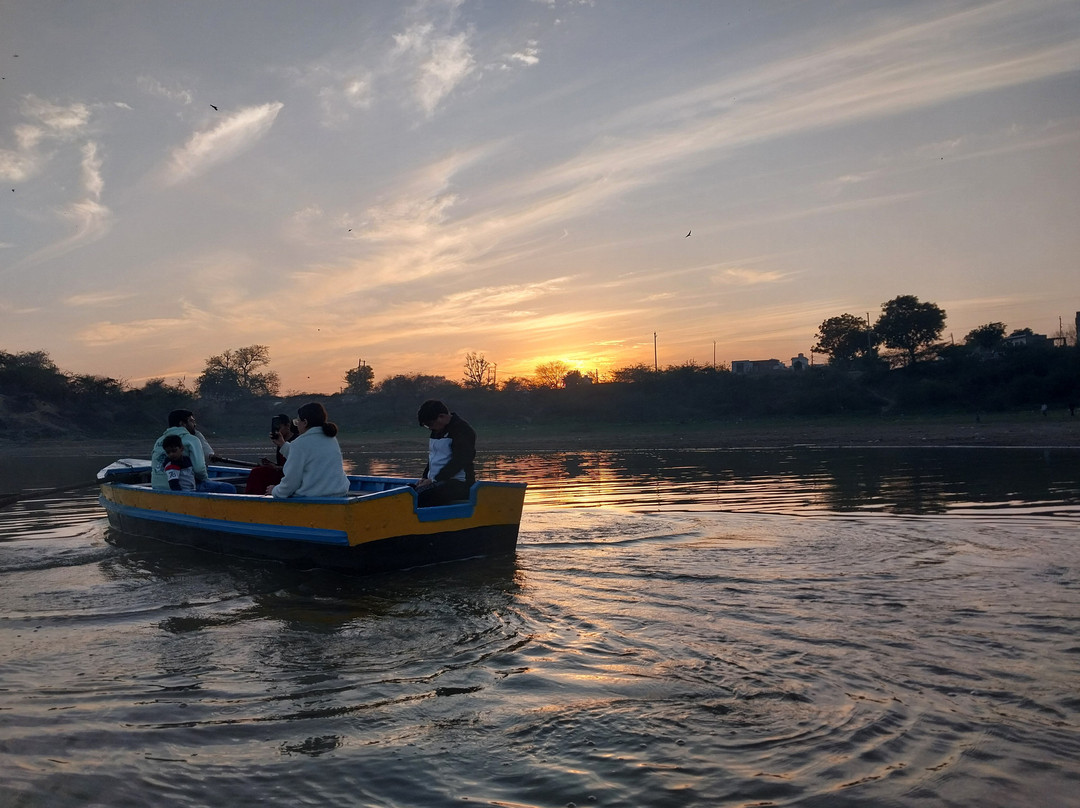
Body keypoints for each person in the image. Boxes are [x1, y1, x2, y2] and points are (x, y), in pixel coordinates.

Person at [267, 402, 350, 498]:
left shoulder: (300, 444)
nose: (297, 425)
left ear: (305, 422)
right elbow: (307, 455)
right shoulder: (331, 439)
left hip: (314, 498)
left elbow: (290, 483)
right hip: (340, 494)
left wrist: (275, 490)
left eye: (297, 422)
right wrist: (283, 444)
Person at [150, 409, 236, 493]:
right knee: (229, 489)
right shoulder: (191, 440)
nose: (194, 424)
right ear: (182, 424)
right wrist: (205, 480)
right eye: (191, 421)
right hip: (181, 489)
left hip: (157, 487)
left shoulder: (159, 441)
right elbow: (199, 470)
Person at [415, 399, 475, 507]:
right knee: (407, 492)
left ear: (441, 416)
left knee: (422, 497)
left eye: (429, 424)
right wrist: (424, 477)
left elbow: (460, 460)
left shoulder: (463, 430)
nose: (429, 428)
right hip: (437, 482)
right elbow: (433, 457)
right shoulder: (436, 429)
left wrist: (435, 479)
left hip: (459, 484)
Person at [245, 414, 296, 495]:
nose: (277, 431)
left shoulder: (296, 441)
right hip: (281, 472)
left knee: (258, 473)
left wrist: (276, 467)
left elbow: (295, 466)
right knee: (257, 472)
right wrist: (271, 464)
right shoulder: (280, 440)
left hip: (289, 476)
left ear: (288, 426)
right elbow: (281, 463)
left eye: (280, 427)